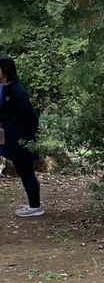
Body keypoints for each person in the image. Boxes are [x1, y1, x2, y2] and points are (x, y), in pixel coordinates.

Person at [0, 56, 44, 217]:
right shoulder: (4, 88)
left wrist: (29, 134)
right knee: (21, 169)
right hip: (12, 138)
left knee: (26, 171)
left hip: (23, 139)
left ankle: (36, 206)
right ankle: (33, 204)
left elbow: (31, 115)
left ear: (4, 70)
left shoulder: (17, 90)